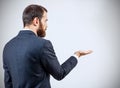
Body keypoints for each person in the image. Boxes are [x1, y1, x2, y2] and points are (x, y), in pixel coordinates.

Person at [3, 4, 92, 88]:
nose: (46, 25)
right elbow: (59, 74)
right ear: (36, 21)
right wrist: (77, 55)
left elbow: (8, 84)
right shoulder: (43, 44)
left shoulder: (8, 47)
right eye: (45, 20)